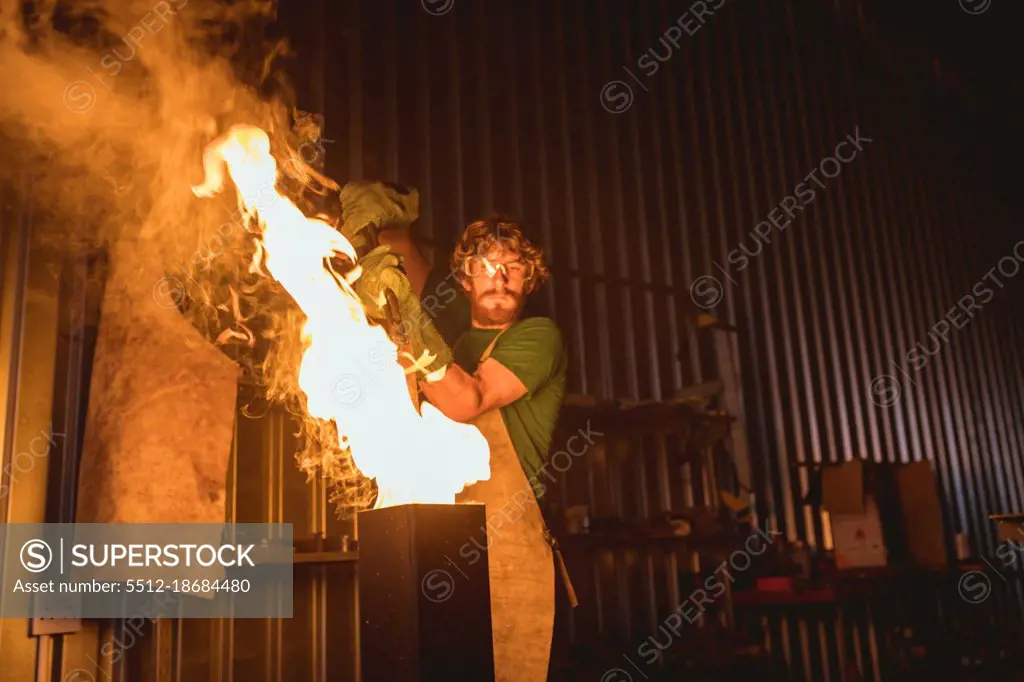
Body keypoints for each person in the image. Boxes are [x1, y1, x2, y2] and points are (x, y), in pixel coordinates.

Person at [379, 215, 567, 682]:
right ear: (465, 278)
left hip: (510, 548)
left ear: (531, 278)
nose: (499, 277)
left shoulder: (538, 336)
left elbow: (470, 400)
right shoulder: (457, 343)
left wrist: (410, 332)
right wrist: (391, 232)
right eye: (484, 264)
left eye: (514, 267)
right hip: (443, 542)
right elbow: (419, 285)